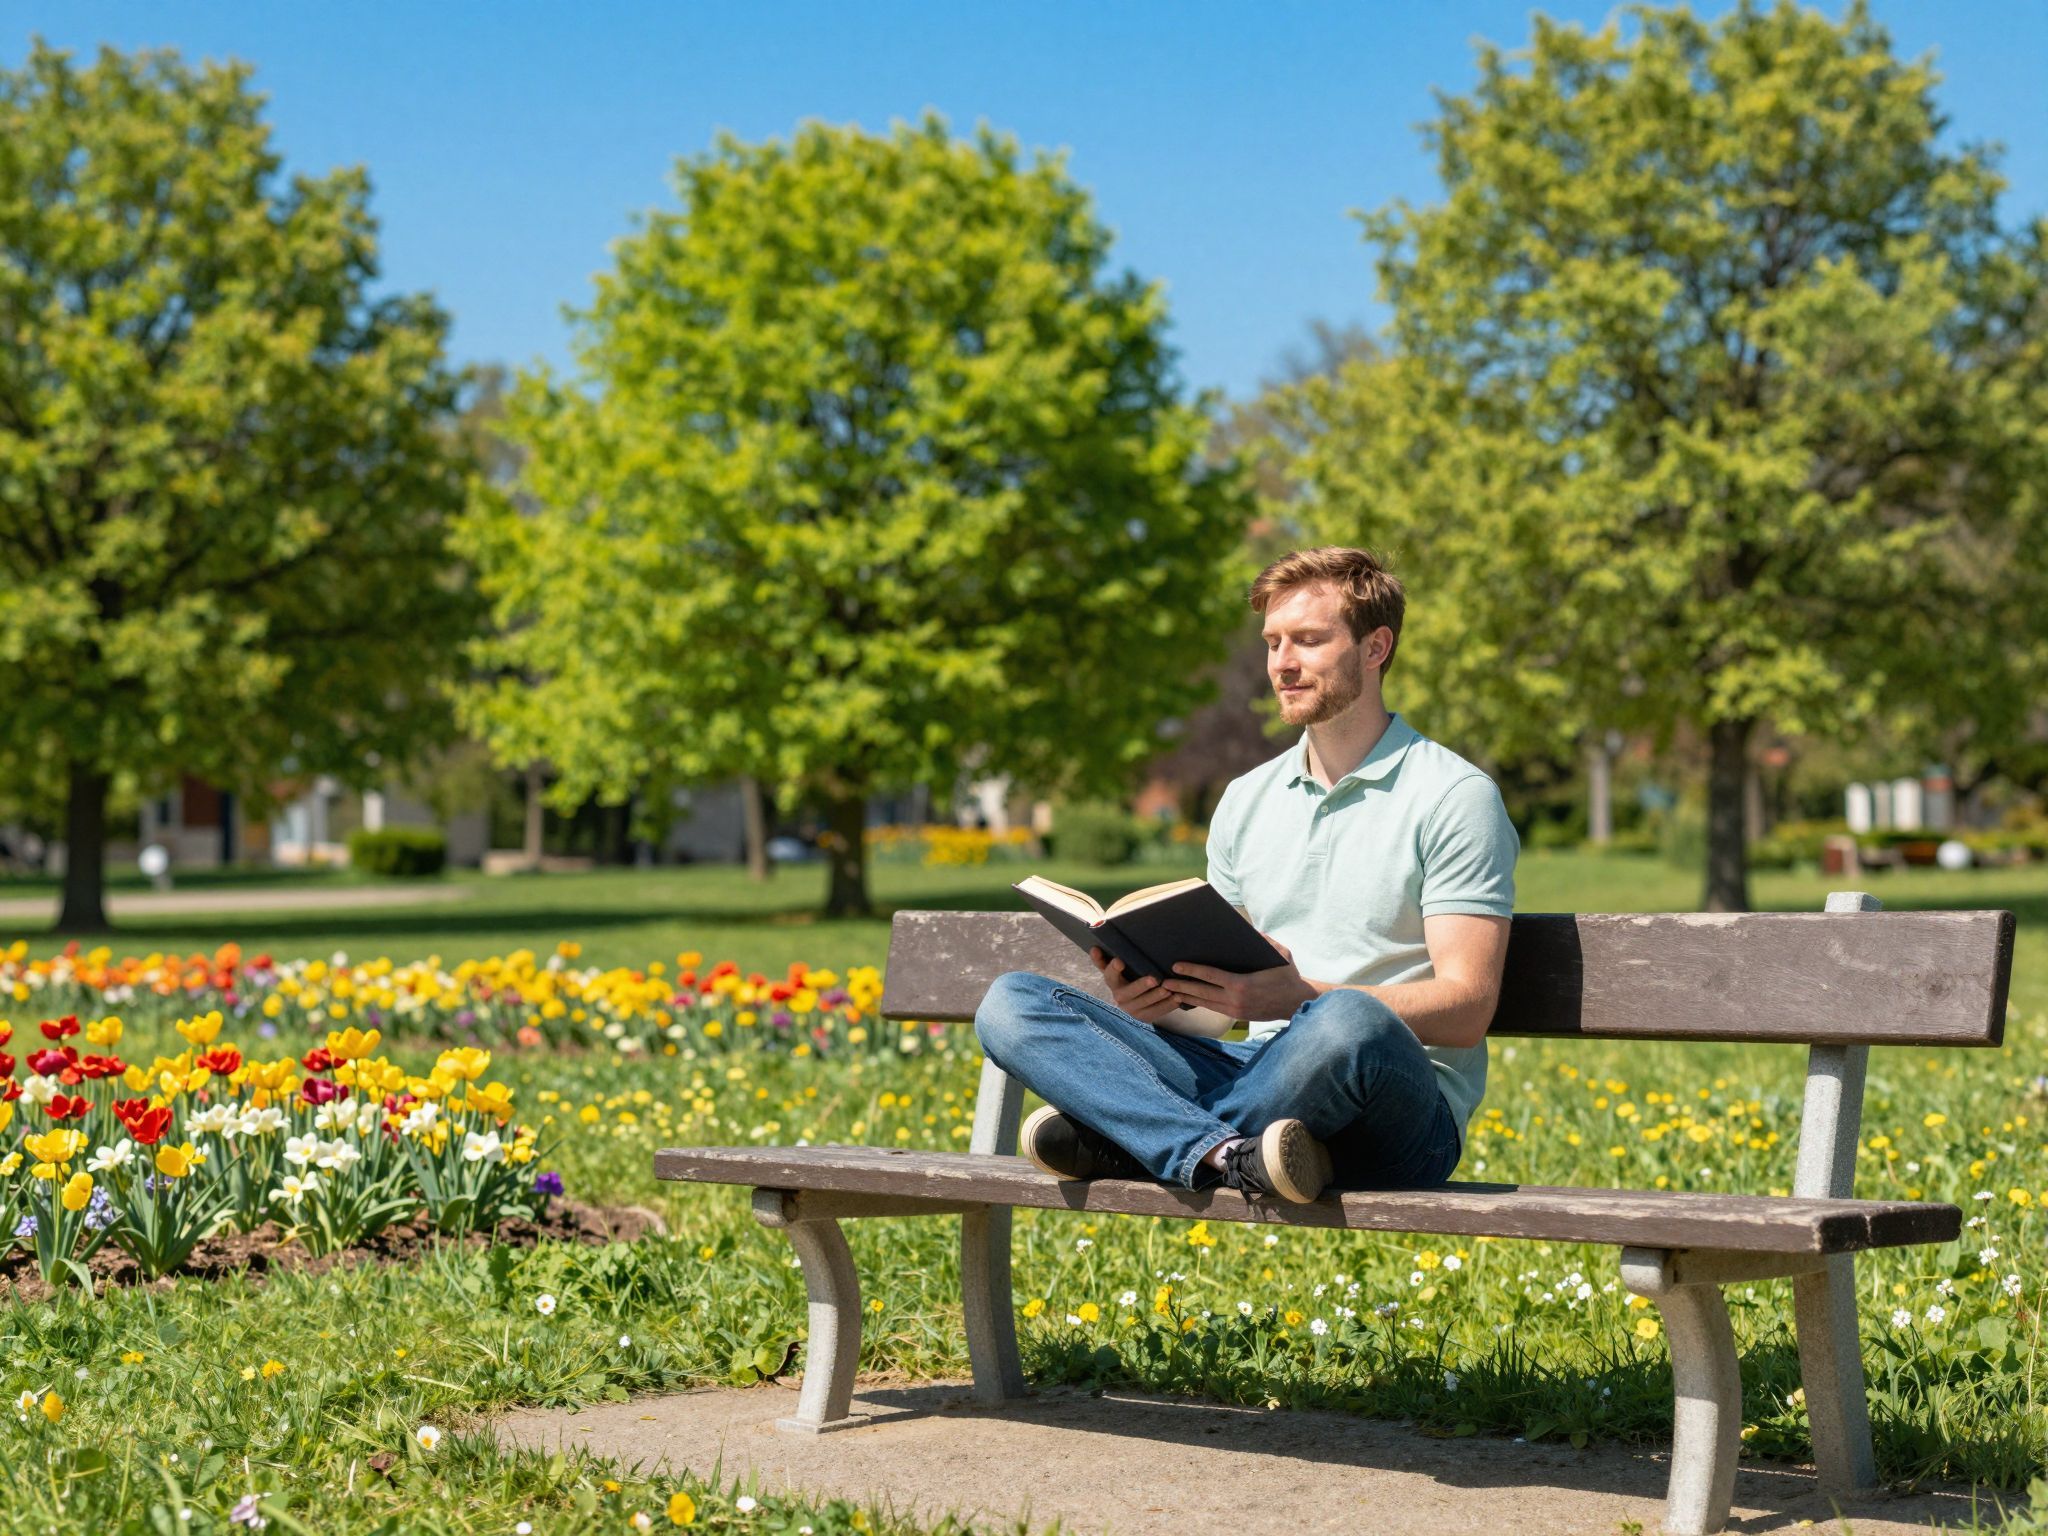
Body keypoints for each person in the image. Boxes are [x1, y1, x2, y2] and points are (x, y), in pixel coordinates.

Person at [973, 547, 1518, 1204]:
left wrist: (1300, 998)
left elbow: (1468, 1008)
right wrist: (1160, 1001)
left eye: (1309, 641)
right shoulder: (1248, 799)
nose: (1281, 664)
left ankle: (1135, 1136)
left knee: (1347, 1020)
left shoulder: (1453, 795)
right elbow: (1222, 1003)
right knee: (1013, 1005)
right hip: (1258, 1074)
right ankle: (1222, 1153)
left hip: (1397, 1108)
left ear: (1376, 648)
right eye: (1273, 642)